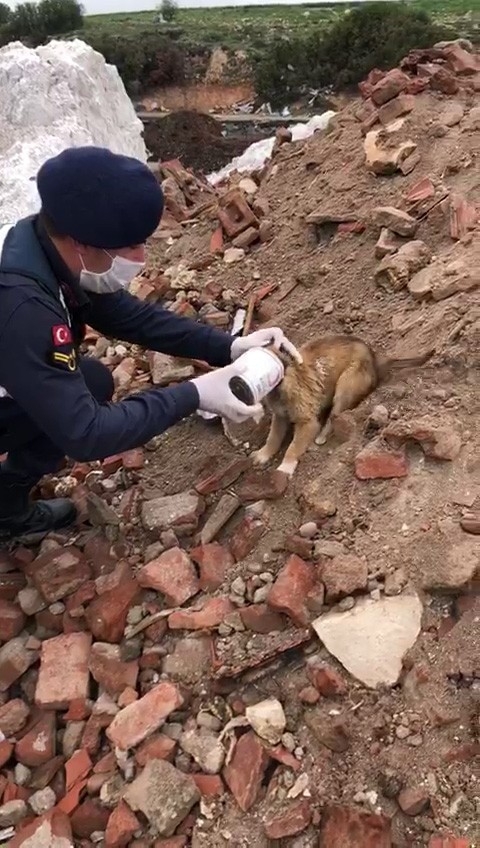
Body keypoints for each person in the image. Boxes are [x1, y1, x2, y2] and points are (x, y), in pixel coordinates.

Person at [0, 146, 300, 539]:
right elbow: (89, 434)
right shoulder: (24, 307)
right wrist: (192, 394)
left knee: (90, 381)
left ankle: (4, 503)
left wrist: (227, 347)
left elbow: (127, 316)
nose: (141, 256)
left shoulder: (44, 242)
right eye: (129, 246)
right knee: (75, 411)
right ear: (82, 243)